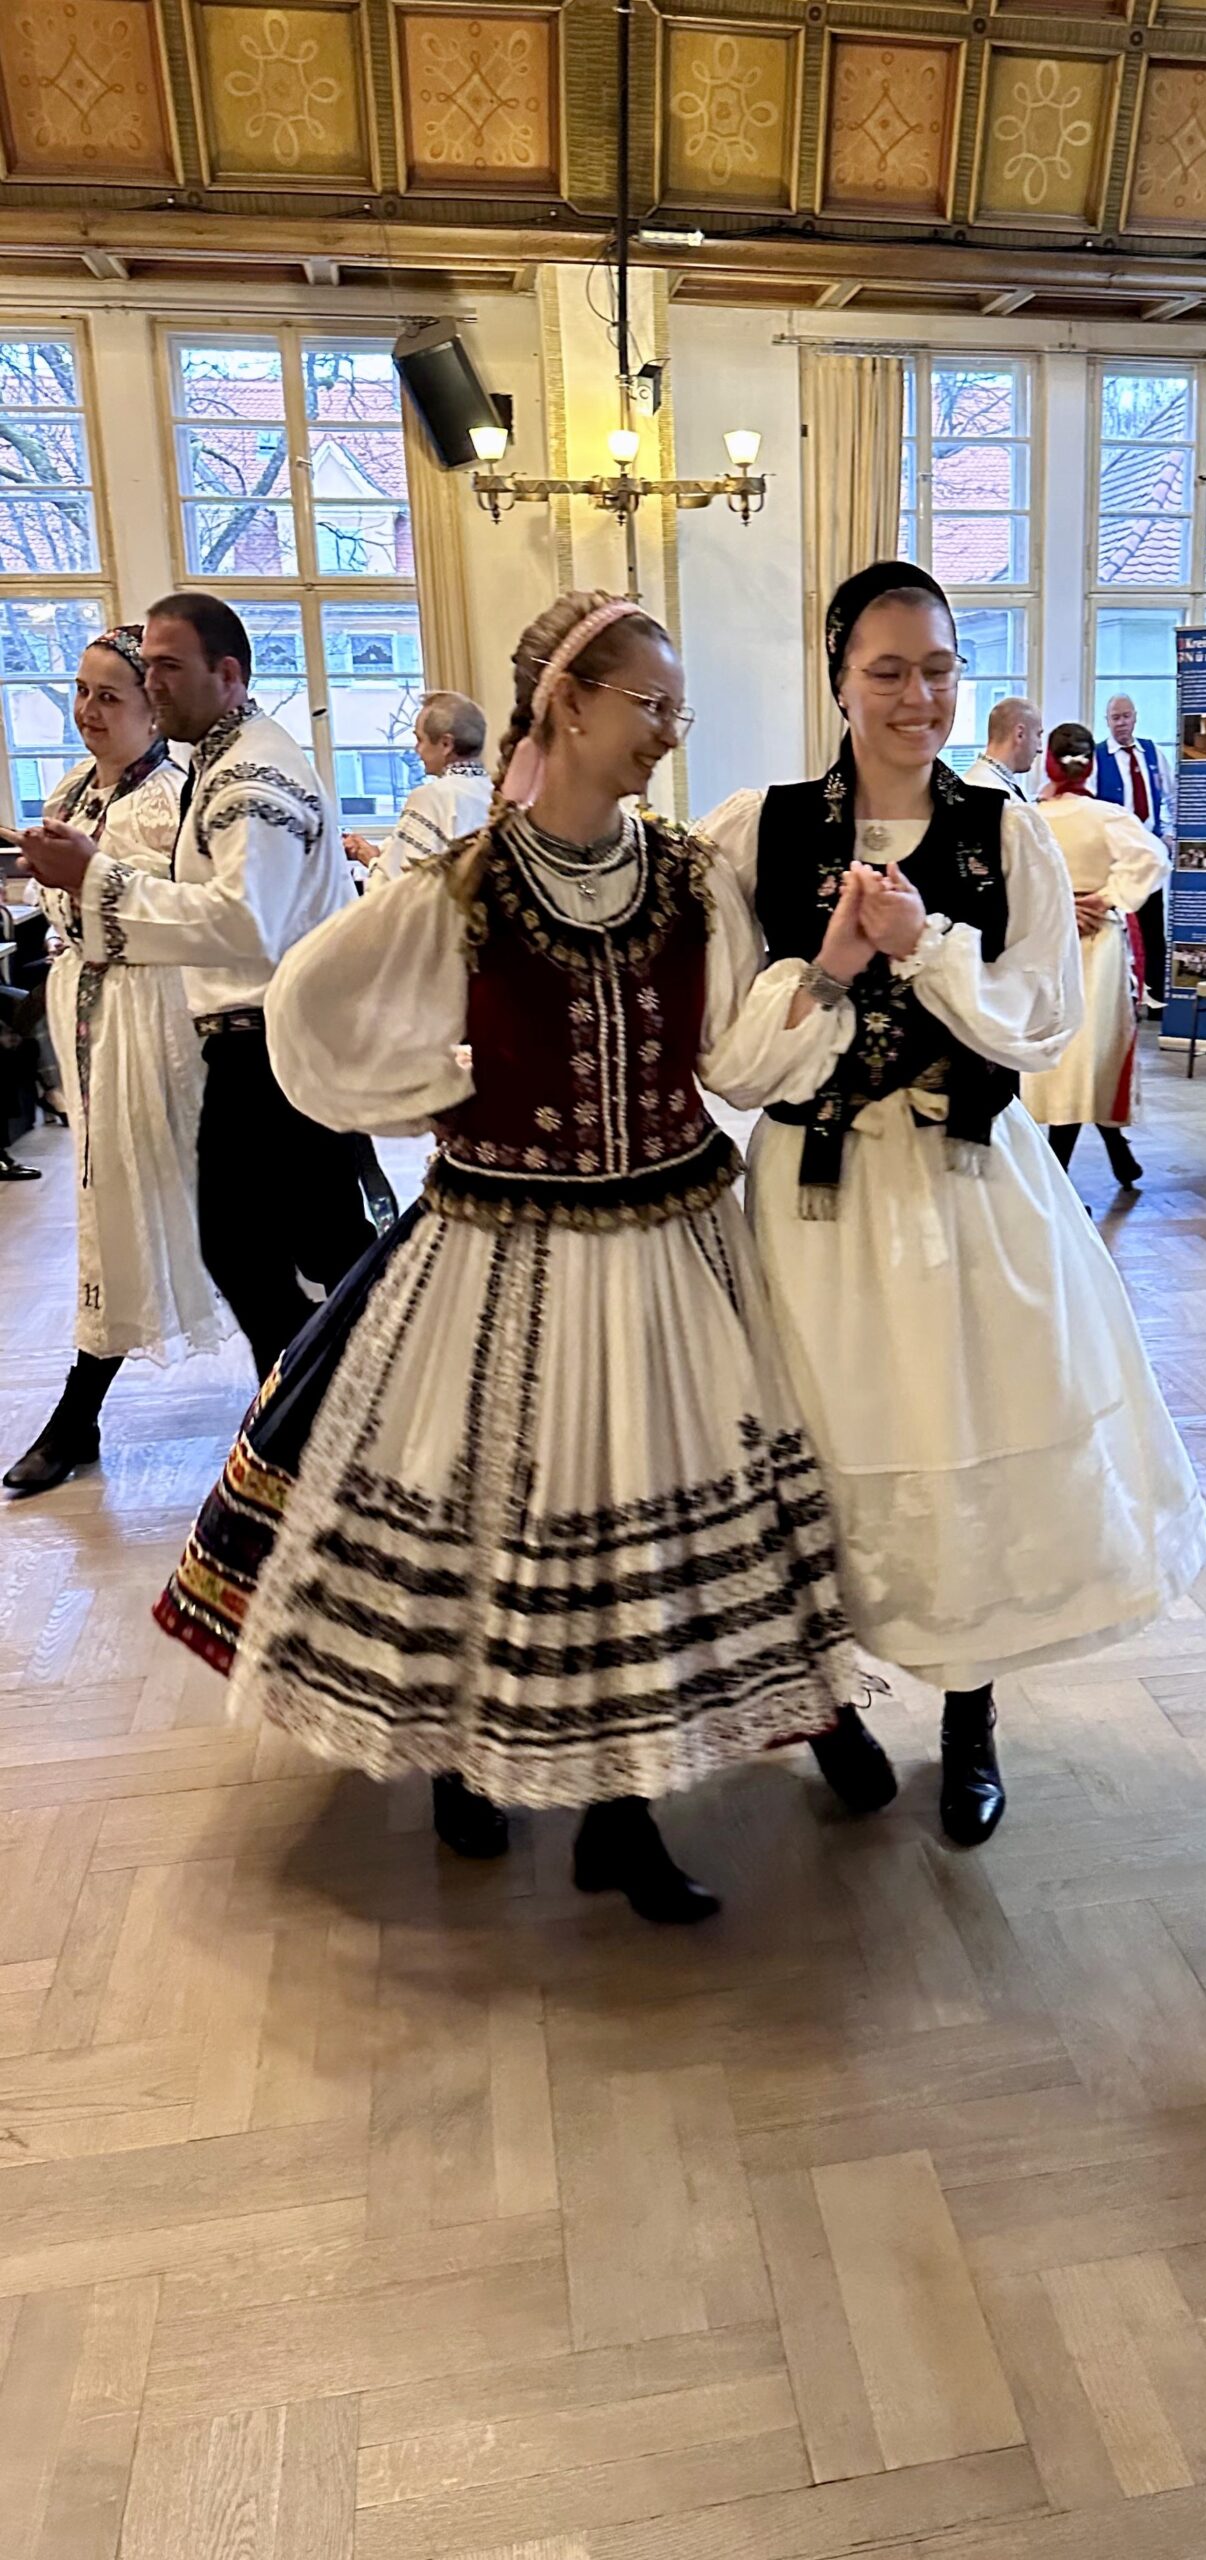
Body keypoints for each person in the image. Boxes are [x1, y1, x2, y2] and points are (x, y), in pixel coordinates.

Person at [155, 591, 889, 1924]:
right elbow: (310, 1008)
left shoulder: (687, 875)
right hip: (505, 1244)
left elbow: (733, 1060)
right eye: (650, 705)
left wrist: (831, 970)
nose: (668, 731)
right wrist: (439, 1087)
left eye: (678, 710)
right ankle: (482, 1761)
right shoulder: (465, 883)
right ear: (570, 704)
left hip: (670, 1241)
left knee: (643, 1517)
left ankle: (618, 1813)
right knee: (503, 1508)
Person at [699, 562, 1206, 1845]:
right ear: (838, 680)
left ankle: (971, 1711)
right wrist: (832, 964)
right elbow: (733, 1062)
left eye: (937, 669)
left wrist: (928, 946)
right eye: (886, 670)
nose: (917, 697)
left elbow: (1039, 1022)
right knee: (825, 1435)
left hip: (967, 1182)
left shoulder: (1004, 829)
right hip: (819, 1202)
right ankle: (830, 1703)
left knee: (970, 1415)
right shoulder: (758, 831)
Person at [18, 592, 374, 1381]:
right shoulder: (225, 757)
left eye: (169, 668)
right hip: (258, 1043)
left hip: (275, 1046)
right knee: (283, 1246)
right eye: (147, 667)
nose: (154, 684)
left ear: (229, 674)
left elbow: (248, 922)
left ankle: (336, 1397)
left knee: (278, 1247)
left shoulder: (251, 773)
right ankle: (323, 1400)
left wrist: (96, 877)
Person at [5, 628, 228, 1496]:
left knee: (178, 1196)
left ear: (152, 708)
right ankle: (82, 1408)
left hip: (154, 1013)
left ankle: (82, 1408)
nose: (88, 710)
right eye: (81, 690)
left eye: (110, 695)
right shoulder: (72, 789)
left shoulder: (175, 802)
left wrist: (95, 881)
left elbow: (196, 914)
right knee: (110, 1197)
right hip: (88, 1007)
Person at [1024, 722, 1169, 1191]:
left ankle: (1089, 1160)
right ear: (1089, 765)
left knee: (1068, 1051)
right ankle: (1087, 1161)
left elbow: (1014, 882)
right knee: (1093, 1048)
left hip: (1045, 939)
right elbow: (1154, 859)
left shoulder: (1027, 818)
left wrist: (1057, 905)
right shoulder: (1107, 816)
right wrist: (1107, 898)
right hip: (1096, 939)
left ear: (1049, 761)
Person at [346, 690, 493, 884]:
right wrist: (378, 853)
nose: (417, 750)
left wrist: (371, 861)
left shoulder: (432, 797)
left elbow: (400, 886)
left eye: (420, 740)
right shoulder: (498, 793)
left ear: (446, 744)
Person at [1095, 695, 1173, 1014]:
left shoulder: (1152, 753)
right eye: (1115, 717)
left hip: (1149, 856)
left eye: (1126, 716)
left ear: (1135, 717)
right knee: (1119, 930)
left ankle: (1156, 1000)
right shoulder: (1097, 758)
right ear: (1107, 721)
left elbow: (1171, 795)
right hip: (1115, 860)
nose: (1121, 723)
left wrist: (1169, 832)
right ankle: (1123, 1000)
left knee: (1154, 931)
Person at [963, 698, 1042, 802]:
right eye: (1038, 735)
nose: (1040, 748)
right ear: (1020, 734)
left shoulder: (989, 780)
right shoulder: (989, 792)